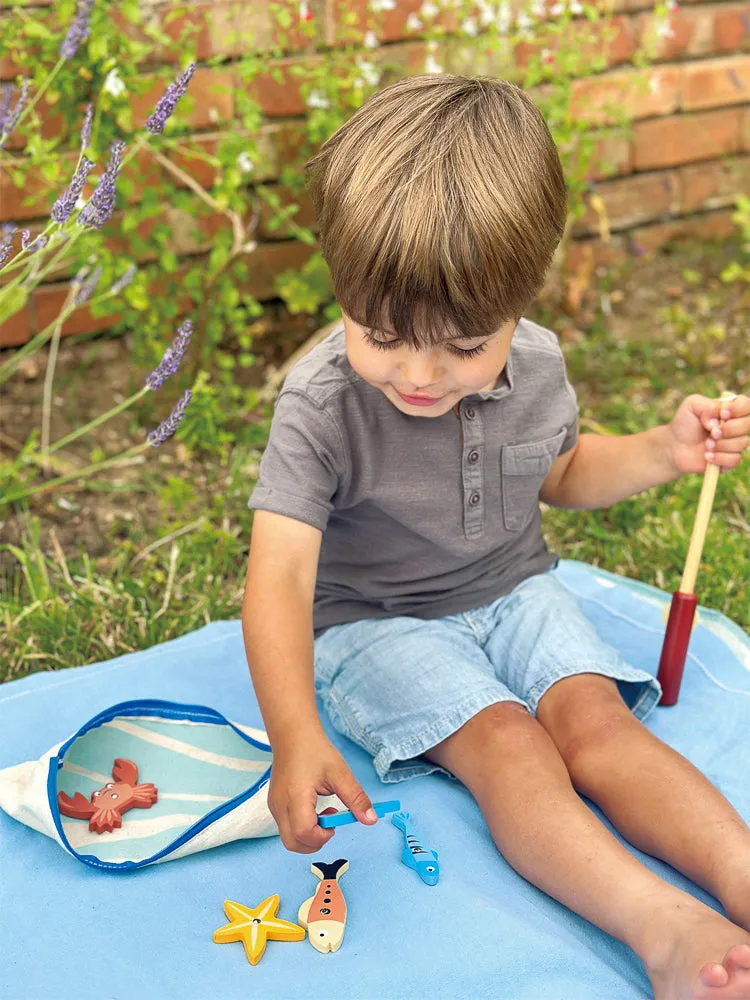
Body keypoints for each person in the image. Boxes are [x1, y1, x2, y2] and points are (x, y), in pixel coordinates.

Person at [241, 74, 750, 999]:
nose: (420, 374)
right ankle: (665, 928)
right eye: (382, 333)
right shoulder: (319, 404)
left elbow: (559, 472)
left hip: (516, 588)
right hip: (377, 622)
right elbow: (278, 577)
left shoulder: (540, 363)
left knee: (596, 725)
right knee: (512, 746)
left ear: (520, 305)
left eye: (463, 346)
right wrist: (293, 730)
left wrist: (662, 451)